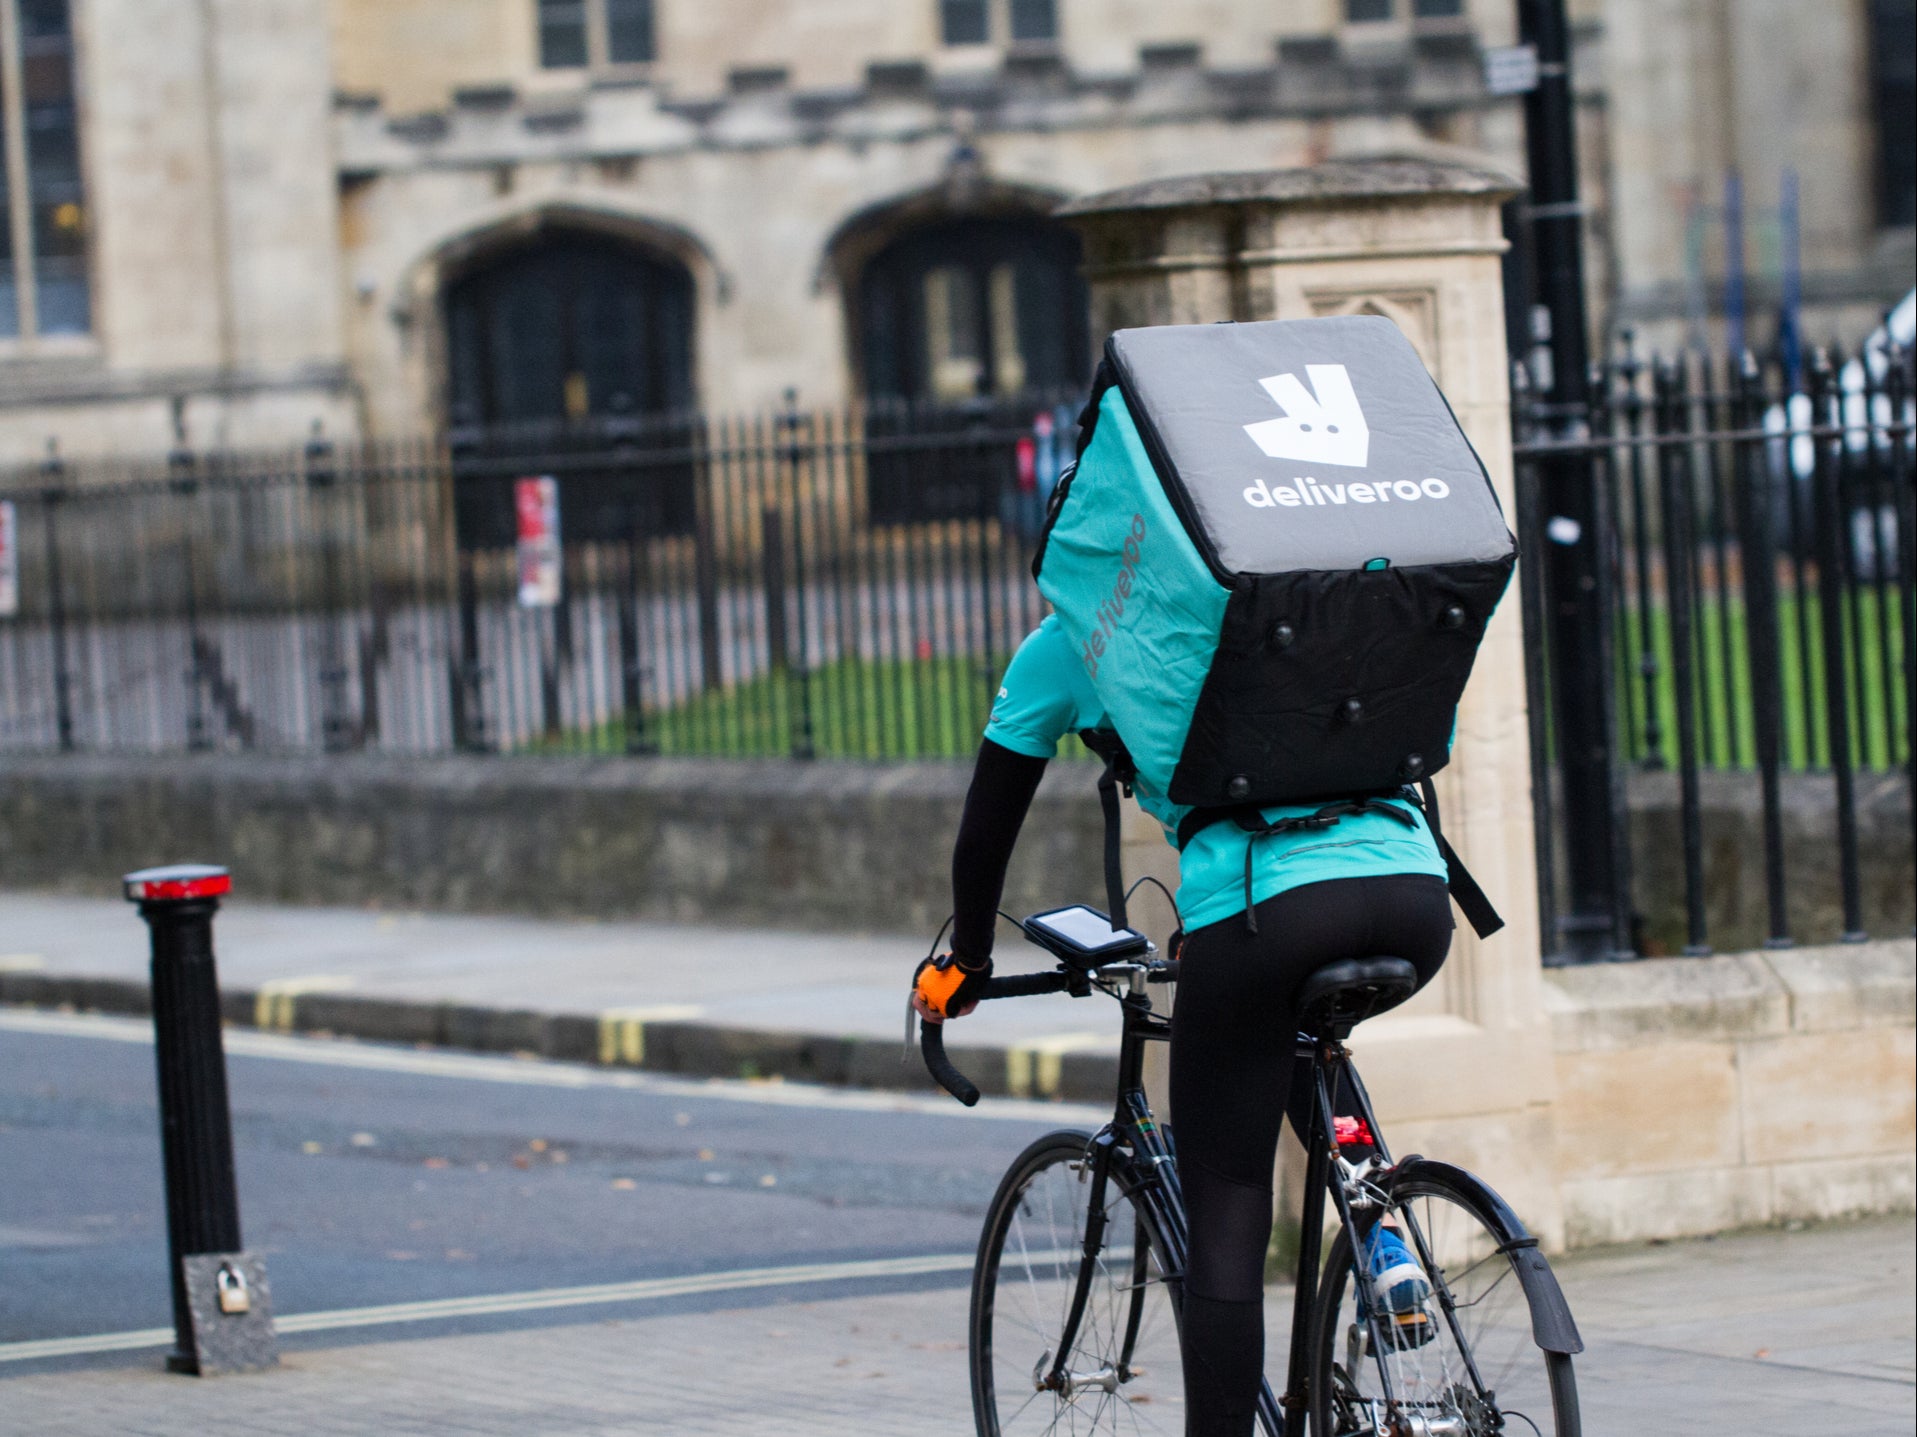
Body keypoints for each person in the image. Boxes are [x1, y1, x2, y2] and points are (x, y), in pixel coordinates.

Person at [913, 610, 1456, 1437]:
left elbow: (987, 828)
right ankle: (1380, 1227)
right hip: (1417, 891)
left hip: (1261, 905)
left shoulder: (1070, 640)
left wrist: (970, 963)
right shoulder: (1277, 599)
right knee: (1289, 1024)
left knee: (1228, 1214)